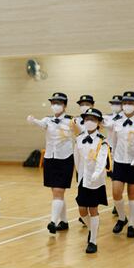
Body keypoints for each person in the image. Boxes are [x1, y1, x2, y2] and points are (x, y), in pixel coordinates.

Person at [27, 93, 76, 234]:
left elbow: (80, 132)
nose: (55, 105)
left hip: (65, 159)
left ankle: (53, 222)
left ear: (65, 105)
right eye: (53, 102)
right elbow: (41, 124)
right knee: (57, 193)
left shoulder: (71, 121)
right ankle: (64, 222)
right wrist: (33, 120)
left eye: (58, 103)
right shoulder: (47, 120)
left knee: (58, 191)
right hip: (50, 158)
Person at [101, 91, 134, 238]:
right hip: (120, 162)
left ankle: (132, 224)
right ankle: (122, 218)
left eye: (130, 103)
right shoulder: (116, 122)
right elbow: (113, 140)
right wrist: (113, 157)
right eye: (125, 103)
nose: (127, 106)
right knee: (116, 193)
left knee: (133, 195)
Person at [74, 108, 110, 254]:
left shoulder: (103, 141)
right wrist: (78, 174)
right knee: (82, 210)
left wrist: (96, 173)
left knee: (93, 209)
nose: (89, 122)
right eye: (87, 119)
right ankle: (92, 229)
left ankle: (93, 240)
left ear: (98, 123)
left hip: (95, 180)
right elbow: (77, 157)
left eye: (93, 119)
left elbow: (102, 160)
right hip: (83, 178)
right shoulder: (78, 138)